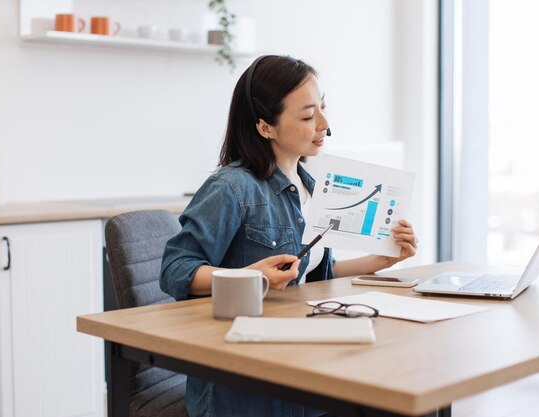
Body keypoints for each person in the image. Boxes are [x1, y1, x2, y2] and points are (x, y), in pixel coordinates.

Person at [160, 55, 418, 417]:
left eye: (324, 109)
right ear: (266, 127)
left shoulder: (312, 189)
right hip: (244, 386)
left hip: (299, 363)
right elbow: (175, 270)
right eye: (309, 116)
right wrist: (251, 277)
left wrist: (381, 260)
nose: (325, 125)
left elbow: (314, 276)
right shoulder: (232, 188)